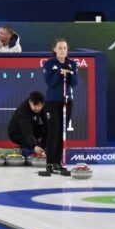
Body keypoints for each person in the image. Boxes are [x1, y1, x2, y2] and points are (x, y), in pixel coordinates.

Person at [41, 40, 77, 176]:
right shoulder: (49, 64)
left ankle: (59, 161)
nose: (62, 50)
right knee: (54, 130)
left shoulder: (72, 64)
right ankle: (50, 162)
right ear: (55, 49)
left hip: (67, 101)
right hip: (52, 102)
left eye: (65, 48)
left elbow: (74, 82)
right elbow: (50, 82)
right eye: (60, 48)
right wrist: (59, 73)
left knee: (62, 132)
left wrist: (69, 73)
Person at [8, 91, 48, 165]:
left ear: (43, 104)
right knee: (30, 142)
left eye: (39, 106)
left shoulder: (41, 106)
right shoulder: (23, 112)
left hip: (32, 128)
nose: (37, 108)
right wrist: (34, 146)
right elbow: (27, 132)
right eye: (35, 105)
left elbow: (47, 122)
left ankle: (42, 148)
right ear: (30, 102)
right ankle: (28, 149)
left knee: (49, 128)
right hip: (16, 133)